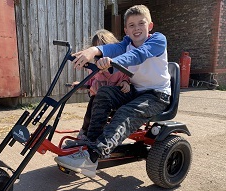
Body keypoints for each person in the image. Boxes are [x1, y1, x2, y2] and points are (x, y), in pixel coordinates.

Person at [55, 5, 171, 178]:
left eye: (141, 23)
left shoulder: (158, 40)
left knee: (125, 112)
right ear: (126, 30)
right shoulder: (126, 43)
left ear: (150, 26)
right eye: (131, 25)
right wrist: (93, 51)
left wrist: (113, 61)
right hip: (135, 91)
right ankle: (89, 143)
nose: (136, 28)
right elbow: (113, 48)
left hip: (157, 95)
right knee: (104, 93)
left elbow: (140, 54)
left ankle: (93, 156)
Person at [72, 29, 131, 140]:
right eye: (98, 51)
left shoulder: (119, 67)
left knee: (114, 116)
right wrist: (81, 84)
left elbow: (126, 78)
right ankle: (85, 130)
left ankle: (107, 136)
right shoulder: (94, 69)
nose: (100, 56)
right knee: (92, 106)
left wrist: (125, 83)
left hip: (115, 101)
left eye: (104, 50)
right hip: (99, 100)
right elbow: (90, 81)